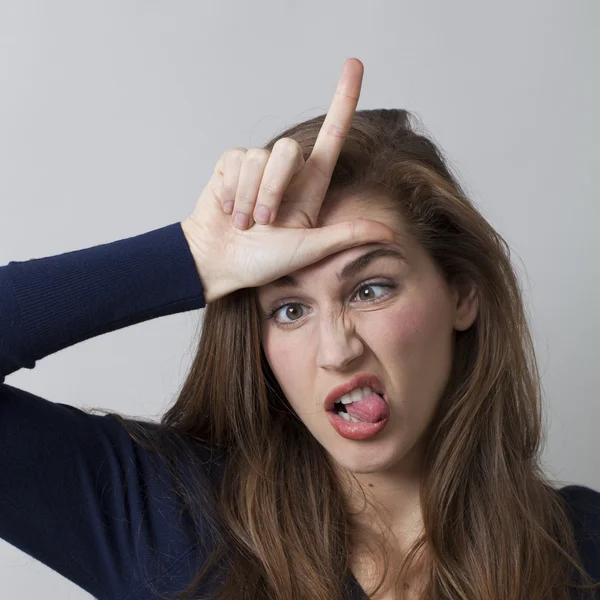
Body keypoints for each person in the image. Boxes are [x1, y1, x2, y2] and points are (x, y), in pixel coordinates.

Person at [0, 58, 598, 600]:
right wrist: (192, 256)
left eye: (370, 289)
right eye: (289, 309)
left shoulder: (582, 549)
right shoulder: (170, 520)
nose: (336, 351)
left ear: (462, 295)